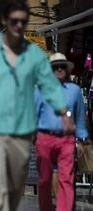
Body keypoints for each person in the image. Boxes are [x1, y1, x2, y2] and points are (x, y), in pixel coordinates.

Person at [0, 1, 74, 210]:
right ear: (4, 21)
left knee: (15, 188)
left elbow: (50, 86)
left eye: (23, 22)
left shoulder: (33, 55)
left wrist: (64, 113)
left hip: (20, 131)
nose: (18, 26)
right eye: (14, 21)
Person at [35, 53, 87, 211]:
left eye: (62, 66)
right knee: (44, 179)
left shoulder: (75, 90)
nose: (59, 69)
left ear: (66, 69)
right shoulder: (39, 89)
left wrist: (81, 140)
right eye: (55, 66)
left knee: (66, 179)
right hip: (44, 137)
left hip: (66, 140)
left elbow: (79, 118)